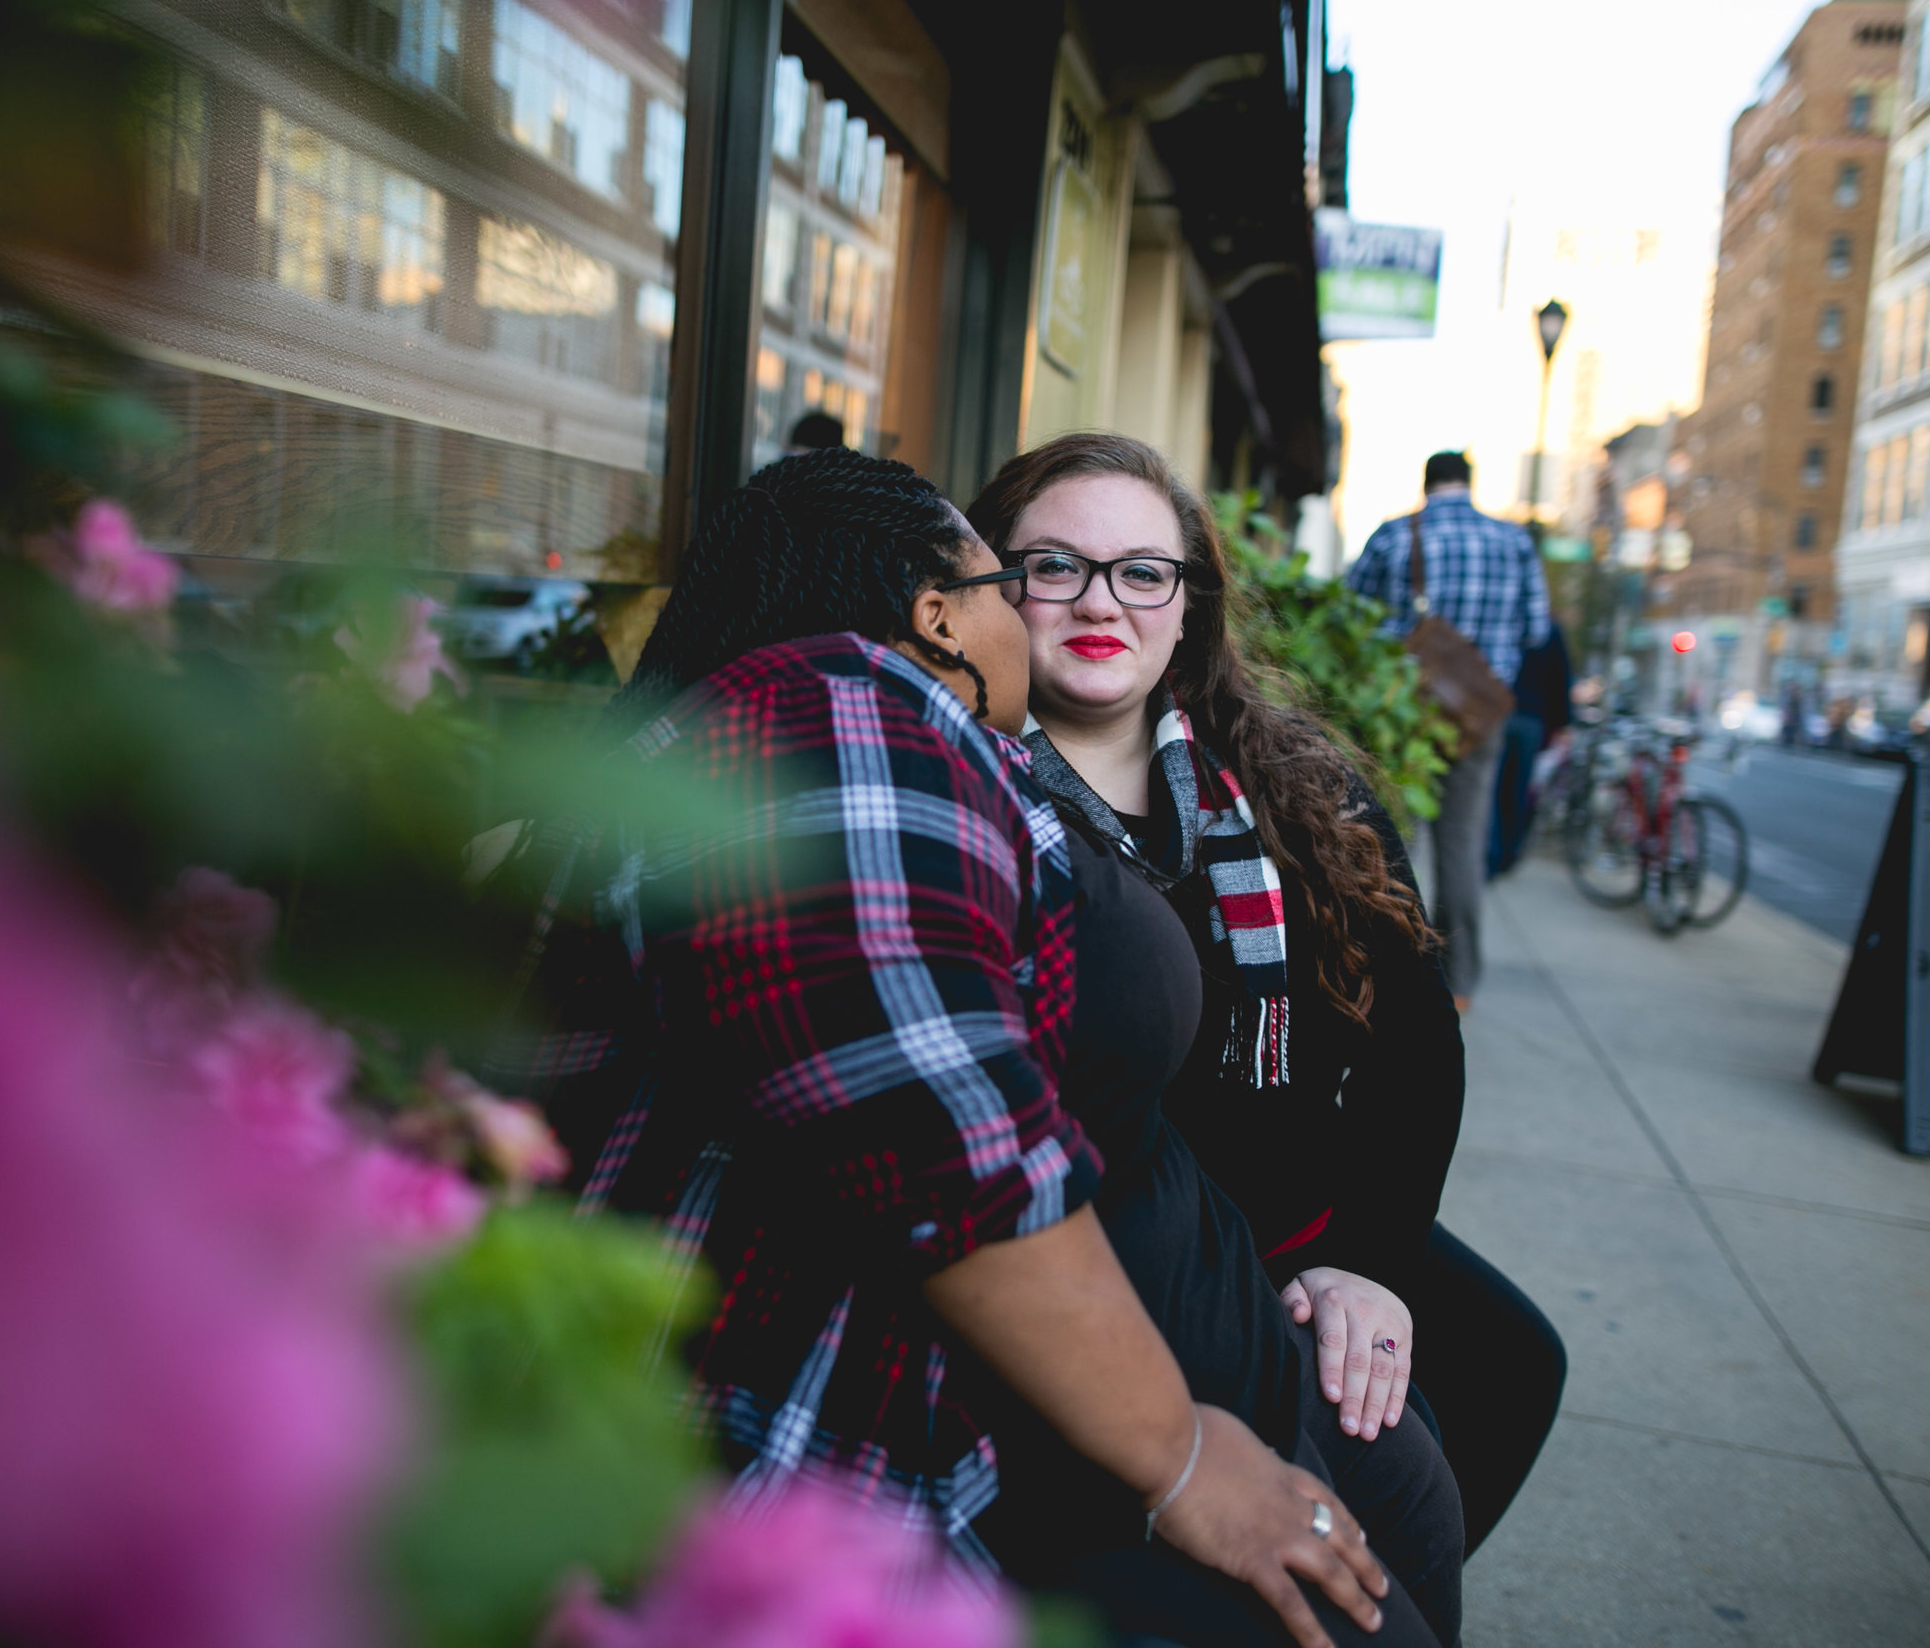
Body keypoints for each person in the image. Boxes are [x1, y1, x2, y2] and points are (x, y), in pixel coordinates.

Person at [522, 448, 1455, 1648]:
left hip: (1113, 1365)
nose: (1069, 605)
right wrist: (1178, 1458)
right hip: (880, 1470)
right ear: (937, 611)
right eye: (1023, 575)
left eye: (1140, 573)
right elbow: (938, 1142)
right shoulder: (844, 707)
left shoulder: (933, 738)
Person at [969, 433, 1564, 1560]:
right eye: (1054, 565)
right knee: (1390, 1468)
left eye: (1144, 571)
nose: (1103, 601)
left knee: (1510, 1366)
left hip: (1310, 1222)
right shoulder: (959, 794)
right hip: (1132, 1260)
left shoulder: (1294, 785)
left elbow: (1414, 1042)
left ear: (1188, 603)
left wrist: (1370, 1266)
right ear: (993, 584)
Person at [1344, 453, 1549, 1013]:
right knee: (1462, 845)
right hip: (1481, 715)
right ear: (1469, 483)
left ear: (1428, 483)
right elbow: (1535, 630)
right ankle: (1457, 986)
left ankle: (1382, 971)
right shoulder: (1515, 543)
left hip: (1402, 713)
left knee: (1391, 842)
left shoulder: (1393, 536)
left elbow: (1351, 617)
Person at [1489, 617, 1572, 878]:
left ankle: (1493, 854)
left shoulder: (1505, 622)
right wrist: (1564, 724)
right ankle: (1509, 853)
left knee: (1494, 788)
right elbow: (1561, 679)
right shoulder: (1549, 628)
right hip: (1530, 719)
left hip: (1501, 713)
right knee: (1518, 789)